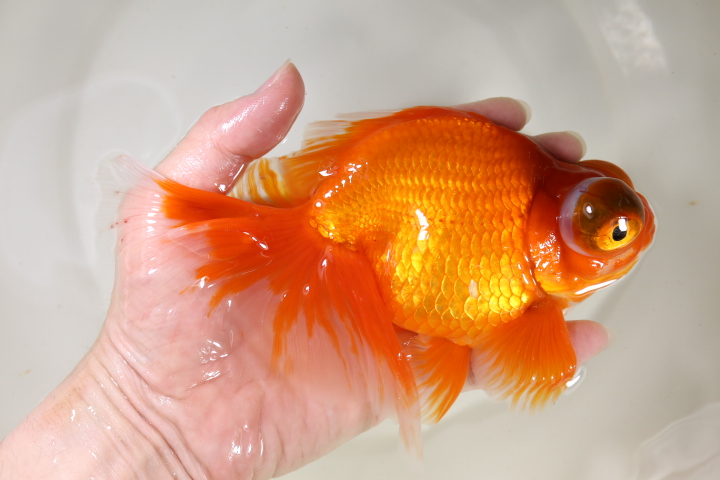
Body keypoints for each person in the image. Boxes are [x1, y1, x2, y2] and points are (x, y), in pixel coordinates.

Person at [0, 63, 609, 479]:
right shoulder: (529, 261)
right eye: (613, 236)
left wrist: (146, 423)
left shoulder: (521, 192)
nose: (617, 243)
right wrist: (140, 407)